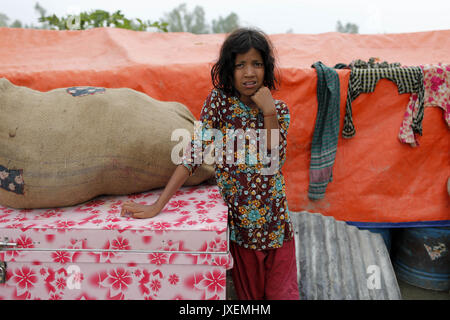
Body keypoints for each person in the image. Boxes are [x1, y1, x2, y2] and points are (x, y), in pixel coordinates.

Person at [120, 27, 299, 300]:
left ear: (267, 68)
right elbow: (193, 154)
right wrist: (158, 205)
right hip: (244, 235)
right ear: (229, 69)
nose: (249, 72)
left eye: (257, 64)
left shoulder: (279, 110)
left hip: (278, 228)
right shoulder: (219, 104)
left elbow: (274, 158)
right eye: (240, 65)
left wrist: (269, 110)